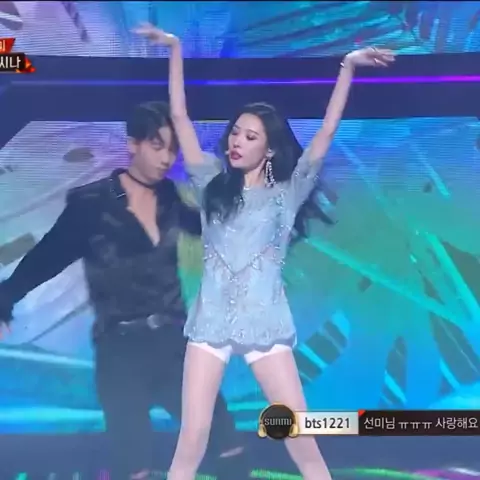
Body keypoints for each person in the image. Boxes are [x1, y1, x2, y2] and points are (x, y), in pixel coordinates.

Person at [135, 24, 395, 480]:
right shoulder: (211, 181)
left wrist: (348, 67)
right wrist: (175, 48)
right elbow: (179, 115)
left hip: (265, 326)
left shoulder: (287, 194)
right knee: (192, 440)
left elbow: (327, 130)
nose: (237, 141)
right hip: (211, 326)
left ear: (271, 149)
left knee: (301, 440)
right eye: (236, 133)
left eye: (250, 137)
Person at [0, 101, 246, 480]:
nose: (166, 158)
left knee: (227, 444)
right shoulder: (92, 203)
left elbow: (211, 225)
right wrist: (5, 298)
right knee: (134, 465)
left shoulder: (169, 196)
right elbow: (48, 256)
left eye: (172, 149)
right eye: (157, 146)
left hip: (174, 346)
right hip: (121, 351)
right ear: (133, 143)